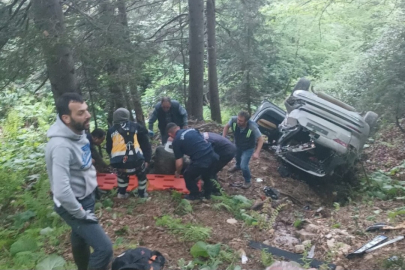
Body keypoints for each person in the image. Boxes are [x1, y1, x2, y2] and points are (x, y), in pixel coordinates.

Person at [45, 93, 113, 270]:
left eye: (87, 110)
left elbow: (81, 160)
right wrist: (80, 213)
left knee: (80, 239)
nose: (88, 115)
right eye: (81, 113)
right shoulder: (61, 146)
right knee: (104, 248)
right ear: (66, 118)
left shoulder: (79, 132)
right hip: (74, 204)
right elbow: (61, 191)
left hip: (86, 196)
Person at [106, 108, 151, 199]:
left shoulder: (111, 130)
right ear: (127, 116)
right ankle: (142, 194)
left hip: (119, 162)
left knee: (122, 176)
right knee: (141, 175)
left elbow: (109, 147)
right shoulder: (136, 126)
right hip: (136, 160)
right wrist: (147, 159)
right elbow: (145, 143)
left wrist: (113, 158)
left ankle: (121, 194)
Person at [166, 123, 218, 200]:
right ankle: (209, 194)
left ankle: (195, 194)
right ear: (178, 127)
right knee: (207, 175)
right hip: (213, 155)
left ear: (170, 134)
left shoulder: (176, 141)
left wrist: (177, 172)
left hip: (201, 159)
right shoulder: (192, 130)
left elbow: (179, 163)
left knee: (187, 174)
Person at [223, 111, 264, 189]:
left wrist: (257, 152)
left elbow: (261, 139)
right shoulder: (233, 120)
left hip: (248, 148)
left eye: (241, 121)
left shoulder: (252, 126)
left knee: (244, 166)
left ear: (246, 121)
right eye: (238, 119)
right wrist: (223, 138)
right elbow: (226, 127)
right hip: (237, 144)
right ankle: (237, 166)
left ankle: (247, 181)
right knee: (237, 157)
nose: (238, 121)